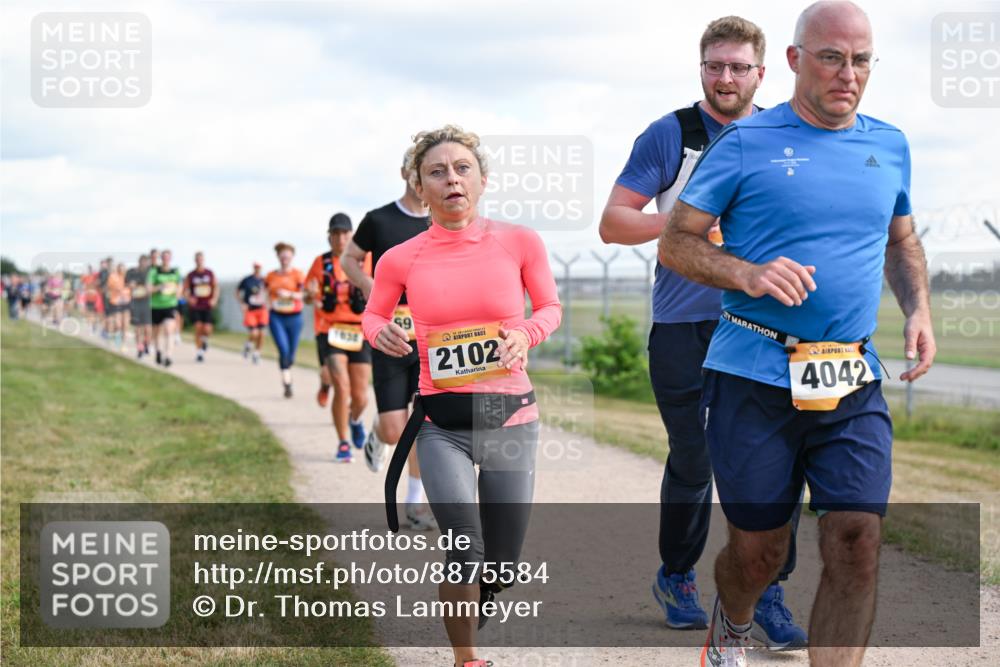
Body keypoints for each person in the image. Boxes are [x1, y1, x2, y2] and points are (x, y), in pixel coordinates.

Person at [659, 3, 935, 665]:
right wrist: (746, 271)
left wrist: (918, 307)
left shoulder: (889, 143)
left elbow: (901, 242)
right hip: (753, 374)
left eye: (861, 59)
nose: (848, 73)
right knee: (760, 551)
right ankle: (735, 617)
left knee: (856, 538)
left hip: (850, 375)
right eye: (832, 57)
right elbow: (676, 244)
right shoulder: (747, 143)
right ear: (793, 60)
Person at [599, 15, 806, 648]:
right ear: (701, 69)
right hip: (684, 323)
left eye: (738, 67)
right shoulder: (672, 134)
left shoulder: (783, 133)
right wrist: (687, 226)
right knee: (695, 460)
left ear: (761, 74)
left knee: (776, 464)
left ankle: (767, 588)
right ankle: (677, 575)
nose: (725, 78)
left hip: (763, 328)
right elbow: (612, 223)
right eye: (715, 66)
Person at [362, 125, 561, 667]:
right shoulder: (400, 258)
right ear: (419, 188)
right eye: (436, 172)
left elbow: (549, 307)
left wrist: (526, 333)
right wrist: (377, 330)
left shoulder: (520, 241)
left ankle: (486, 590)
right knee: (464, 548)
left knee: (503, 560)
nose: (451, 178)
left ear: (482, 180)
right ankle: (466, 658)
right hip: (441, 423)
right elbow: (374, 311)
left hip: (510, 416)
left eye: (462, 168)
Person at [342, 148, 437, 529]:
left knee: (423, 423)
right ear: (404, 173)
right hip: (388, 335)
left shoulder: (441, 221)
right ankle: (377, 436)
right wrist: (369, 283)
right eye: (415, 169)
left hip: (431, 339)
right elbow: (349, 259)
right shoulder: (379, 220)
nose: (420, 177)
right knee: (396, 428)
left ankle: (415, 505)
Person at [306, 213, 372, 463]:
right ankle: (343, 442)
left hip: (359, 331)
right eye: (336, 234)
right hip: (330, 331)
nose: (340, 239)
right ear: (329, 236)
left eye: (345, 234)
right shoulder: (320, 263)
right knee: (341, 388)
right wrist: (310, 296)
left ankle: (355, 420)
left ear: (352, 235)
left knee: (361, 397)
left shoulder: (366, 260)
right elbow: (306, 295)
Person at [265, 242, 306, 398]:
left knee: (291, 356)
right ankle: (287, 383)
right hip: (277, 317)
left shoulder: (298, 275)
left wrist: (290, 295)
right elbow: (264, 293)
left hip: (294, 317)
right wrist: (267, 305)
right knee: (283, 350)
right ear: (278, 257)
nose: (284, 259)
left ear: (292, 257)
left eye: (287, 257)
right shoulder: (270, 276)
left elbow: (304, 295)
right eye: (282, 256)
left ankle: (287, 370)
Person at [149, 249, 183, 367]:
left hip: (170, 305)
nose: (166, 259)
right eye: (163, 257)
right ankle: (158, 351)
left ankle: (168, 356)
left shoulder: (175, 271)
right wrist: (159, 287)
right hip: (156, 305)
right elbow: (148, 289)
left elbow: (180, 285)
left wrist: (178, 292)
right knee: (156, 332)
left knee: (169, 330)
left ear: (171, 258)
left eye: (168, 257)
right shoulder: (154, 271)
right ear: (161, 259)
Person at [184, 251, 218, 363]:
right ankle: (199, 352)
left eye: (201, 259)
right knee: (198, 327)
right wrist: (189, 298)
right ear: (195, 260)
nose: (199, 261)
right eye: (197, 259)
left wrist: (214, 299)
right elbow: (185, 289)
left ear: (203, 260)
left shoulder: (209, 273)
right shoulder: (191, 275)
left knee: (207, 329)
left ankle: (205, 340)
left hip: (207, 304)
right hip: (196, 306)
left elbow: (216, 287)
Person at [236, 262, 269, 364]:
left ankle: (257, 354)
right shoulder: (247, 280)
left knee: (262, 333)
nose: (257, 269)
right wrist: (242, 303)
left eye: (259, 267)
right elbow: (237, 291)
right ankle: (248, 344)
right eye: (256, 267)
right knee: (254, 333)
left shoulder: (265, 280)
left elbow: (269, 292)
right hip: (250, 309)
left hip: (262, 309)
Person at [126, 255, 153, 359]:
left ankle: (146, 344)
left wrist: (149, 287)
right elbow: (127, 284)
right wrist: (130, 285)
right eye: (142, 261)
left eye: (146, 262)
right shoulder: (132, 272)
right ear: (139, 262)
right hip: (135, 303)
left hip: (147, 303)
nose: (144, 264)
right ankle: (140, 348)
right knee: (138, 328)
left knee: (148, 329)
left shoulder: (150, 273)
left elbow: (152, 286)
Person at [105, 263, 131, 350]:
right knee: (118, 324)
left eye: (123, 269)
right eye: (120, 268)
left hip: (126, 302)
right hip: (116, 302)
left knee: (125, 324)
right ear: (117, 269)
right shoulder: (113, 276)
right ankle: (114, 338)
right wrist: (118, 289)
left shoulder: (128, 277)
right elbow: (110, 286)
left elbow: (132, 287)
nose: (121, 270)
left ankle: (123, 344)